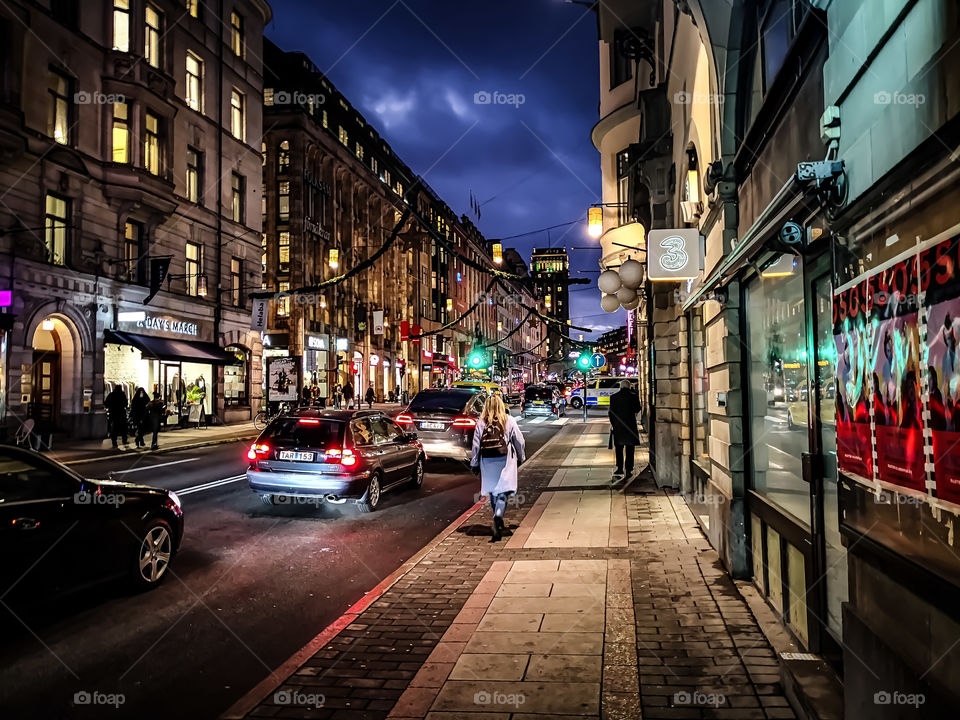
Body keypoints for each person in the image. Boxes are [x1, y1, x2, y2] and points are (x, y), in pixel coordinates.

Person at [471, 395, 526, 542]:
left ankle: (497, 514)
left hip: (487, 461)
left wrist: (474, 463)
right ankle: (498, 516)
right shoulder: (509, 420)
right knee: (503, 492)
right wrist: (521, 457)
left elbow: (476, 445)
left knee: (494, 491)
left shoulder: (481, 422)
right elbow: (519, 441)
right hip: (505, 461)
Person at [608, 379, 641, 479]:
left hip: (618, 426)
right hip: (630, 425)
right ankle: (629, 469)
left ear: (620, 387)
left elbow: (611, 413)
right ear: (629, 386)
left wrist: (613, 423)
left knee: (619, 448)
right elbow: (637, 409)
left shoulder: (614, 397)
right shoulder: (634, 396)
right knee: (630, 449)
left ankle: (619, 468)